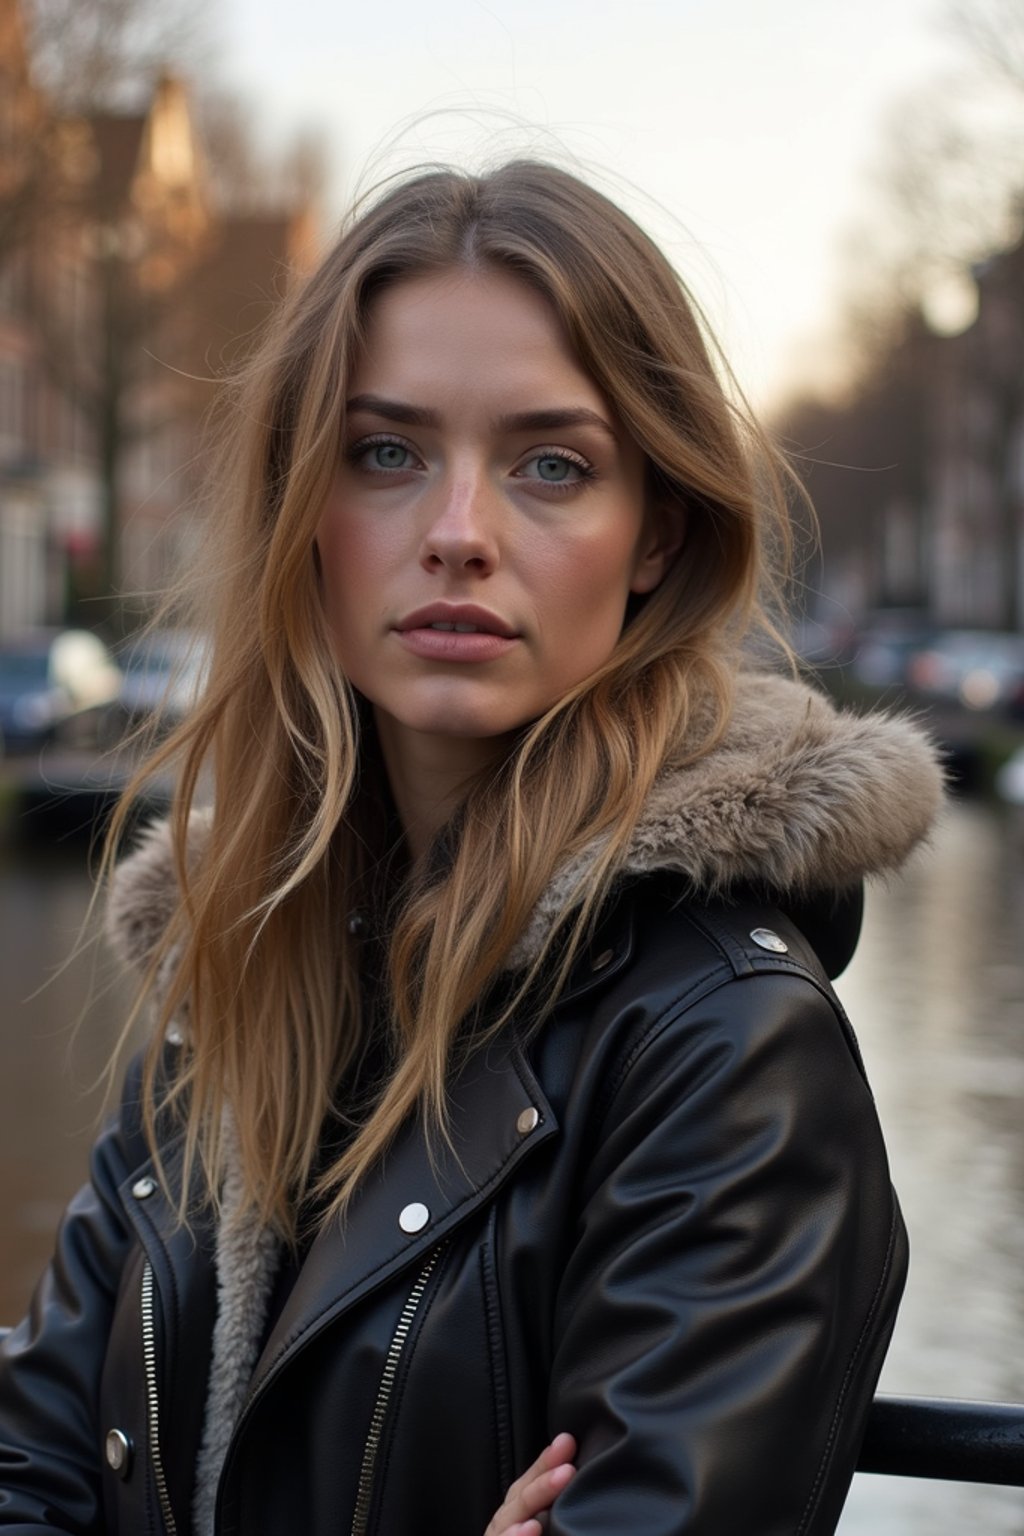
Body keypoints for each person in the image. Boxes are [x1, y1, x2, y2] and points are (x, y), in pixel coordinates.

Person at [0, 160, 943, 1536]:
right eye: (385, 453)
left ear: (654, 535)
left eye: (550, 466)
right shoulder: (231, 985)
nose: (458, 535)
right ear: (301, 515)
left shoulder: (726, 1055)